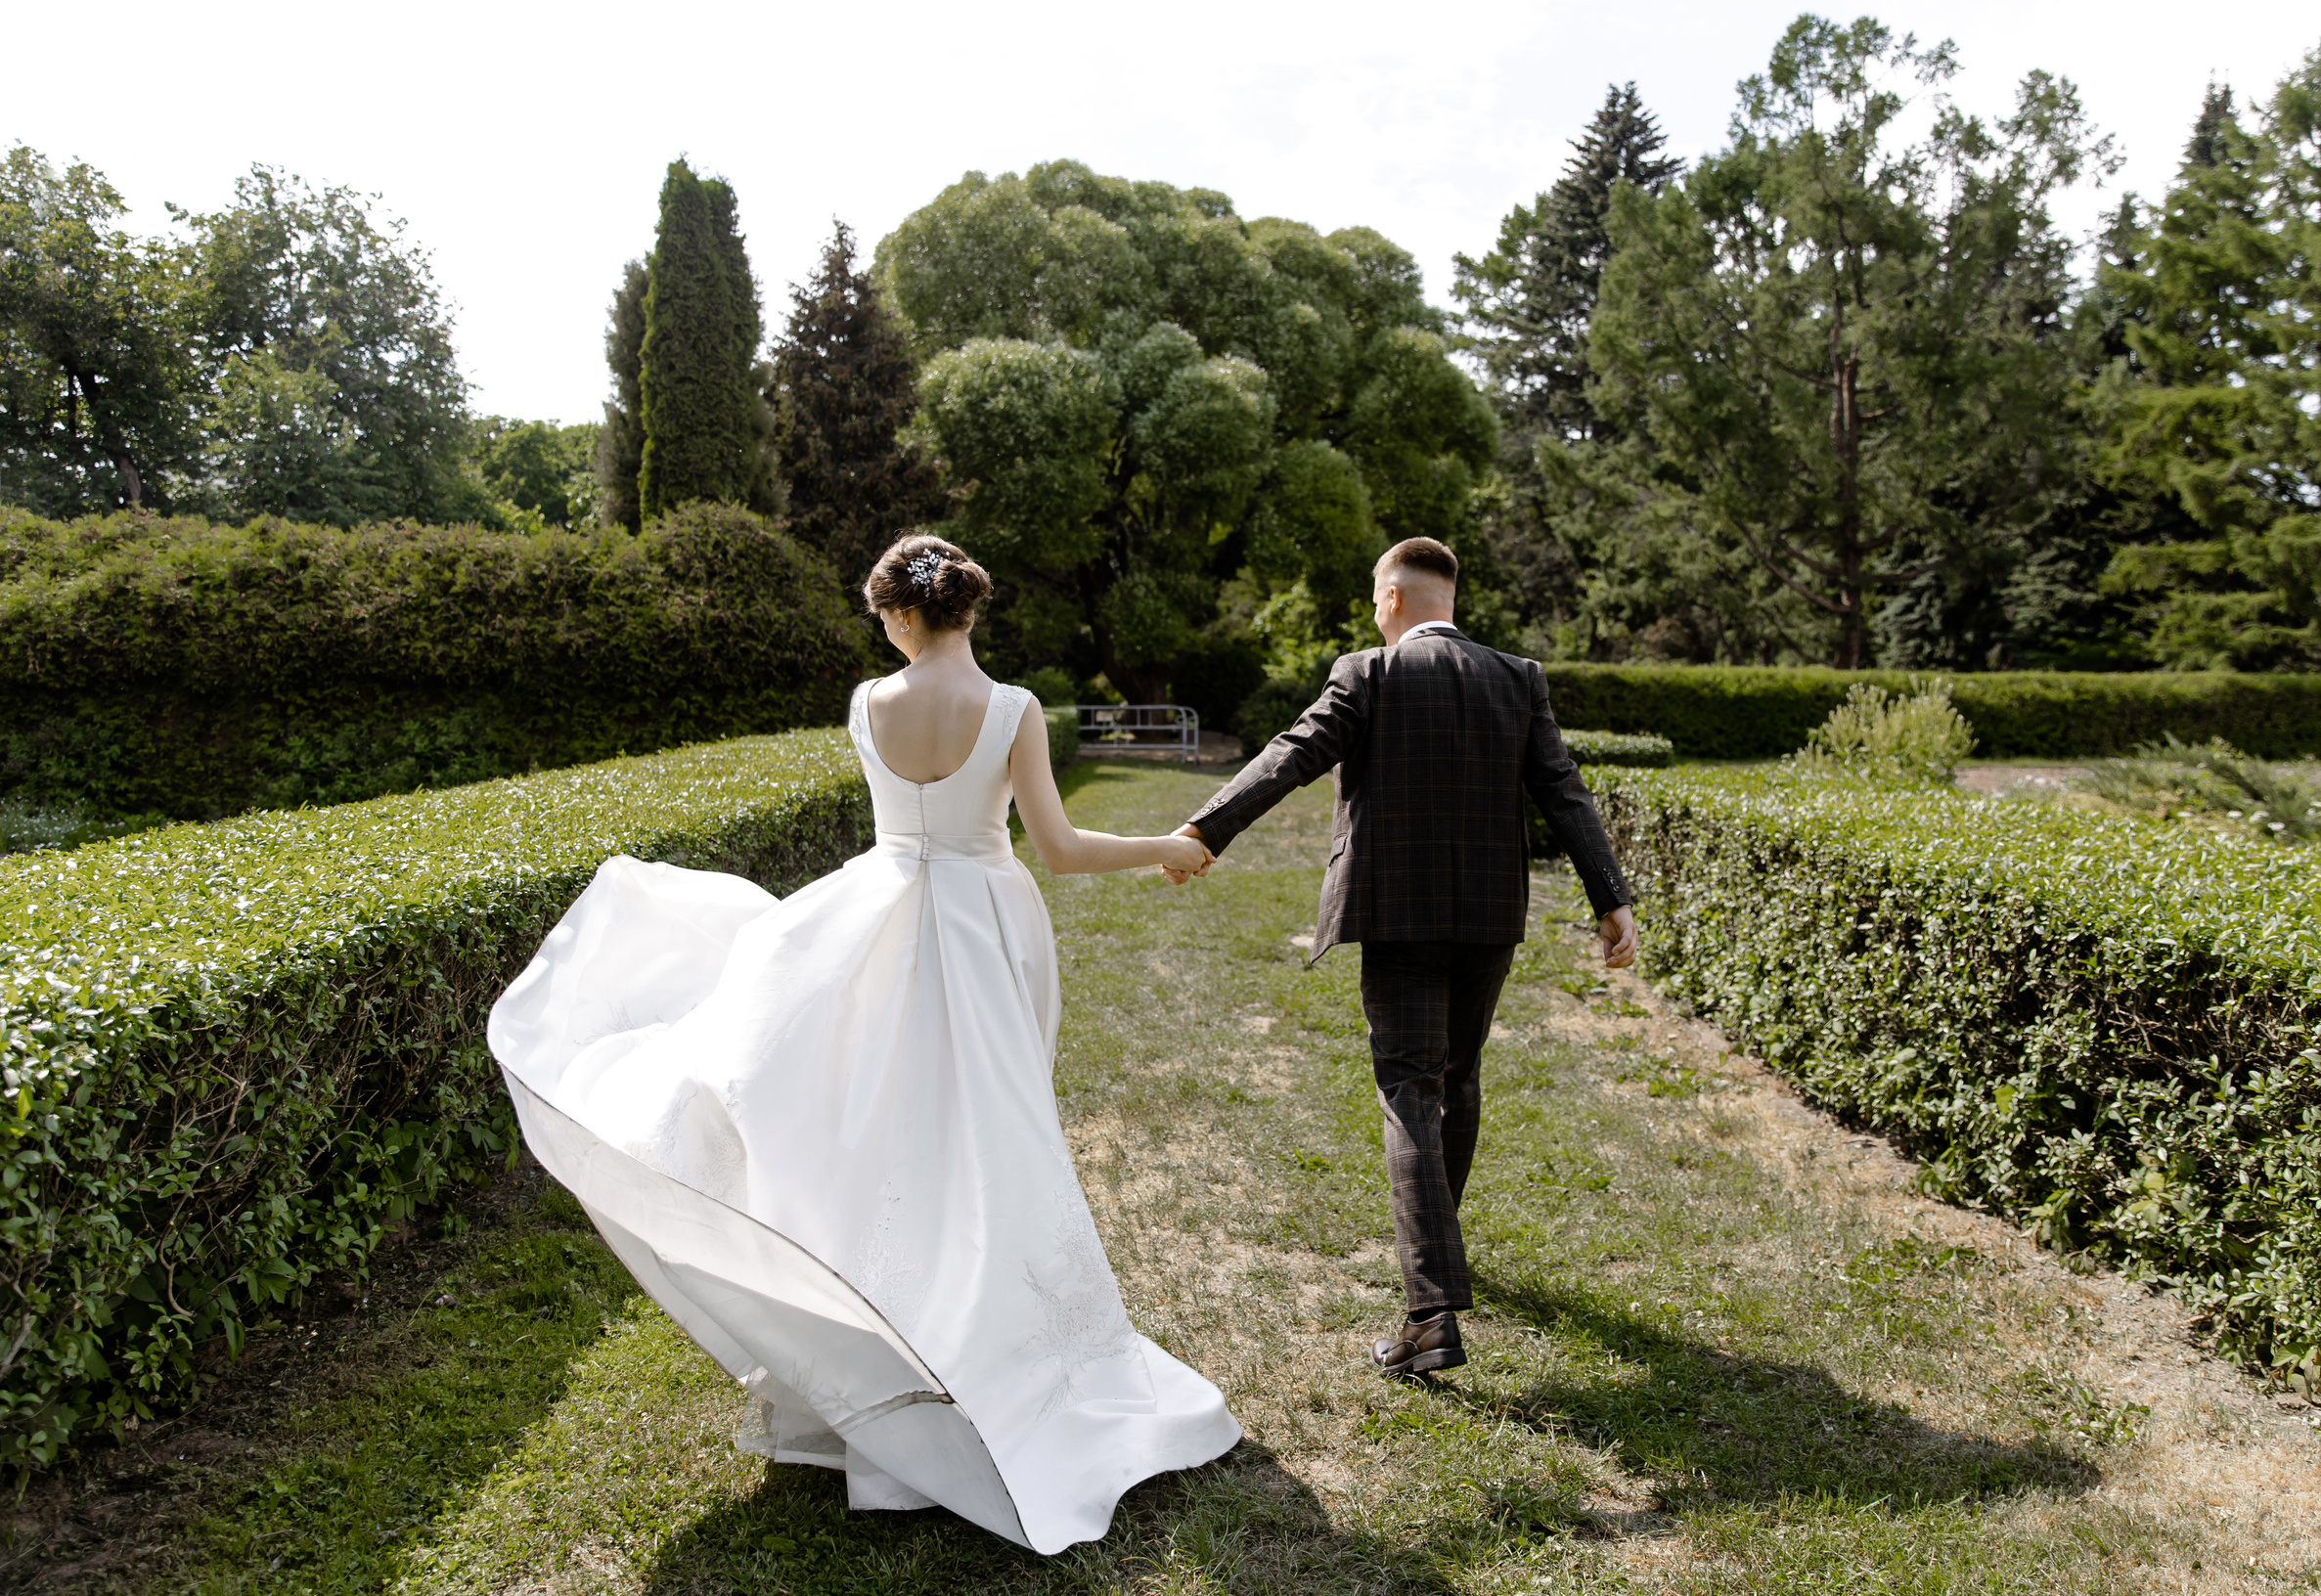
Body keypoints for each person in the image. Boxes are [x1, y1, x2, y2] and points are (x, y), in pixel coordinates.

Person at [487, 535, 1237, 1555]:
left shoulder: (866, 705)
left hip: (873, 923)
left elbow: (906, 828)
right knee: (985, 1145)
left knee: (881, 1141)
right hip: (981, 929)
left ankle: (887, 1368)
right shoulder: (1013, 709)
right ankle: (996, 1356)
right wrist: (1166, 846)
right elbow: (1057, 852)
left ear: (897, 615)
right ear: (970, 610)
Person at [1164, 536, 1636, 1379]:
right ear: (1448, 598)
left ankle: (1429, 1312)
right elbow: (1563, 786)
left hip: (1396, 912)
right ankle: (1438, 1254)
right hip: (1489, 917)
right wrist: (1611, 896)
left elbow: (1293, 753)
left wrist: (1206, 828)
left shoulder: (1368, 674)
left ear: (1389, 600)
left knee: (1410, 1088)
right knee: (1457, 1080)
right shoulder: (1517, 676)